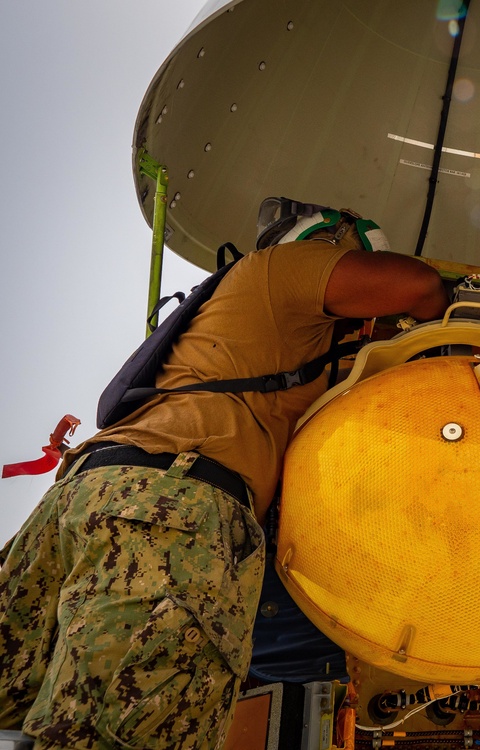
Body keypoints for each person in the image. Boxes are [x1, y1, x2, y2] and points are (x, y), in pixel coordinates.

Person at [0, 198, 449, 749]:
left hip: (89, 497)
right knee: (126, 730)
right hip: (173, 512)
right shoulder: (280, 271)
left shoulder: (254, 329)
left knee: (9, 701)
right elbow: (419, 286)